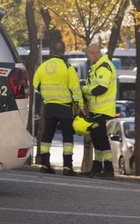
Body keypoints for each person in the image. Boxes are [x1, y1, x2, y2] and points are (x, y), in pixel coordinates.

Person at [32, 40, 83, 175]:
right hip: (65, 107)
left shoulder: (43, 66)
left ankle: (45, 164)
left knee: (47, 136)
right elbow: (75, 89)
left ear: (52, 50)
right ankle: (67, 167)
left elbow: (35, 83)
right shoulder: (68, 67)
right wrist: (80, 105)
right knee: (67, 137)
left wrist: (45, 92)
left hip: (49, 106)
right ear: (63, 51)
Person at [80, 42, 117, 178]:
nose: (88, 58)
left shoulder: (104, 67)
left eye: (88, 55)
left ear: (94, 53)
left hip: (102, 109)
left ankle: (108, 169)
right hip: (97, 108)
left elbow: (101, 89)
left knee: (101, 139)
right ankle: (97, 167)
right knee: (96, 139)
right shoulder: (98, 67)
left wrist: (83, 89)